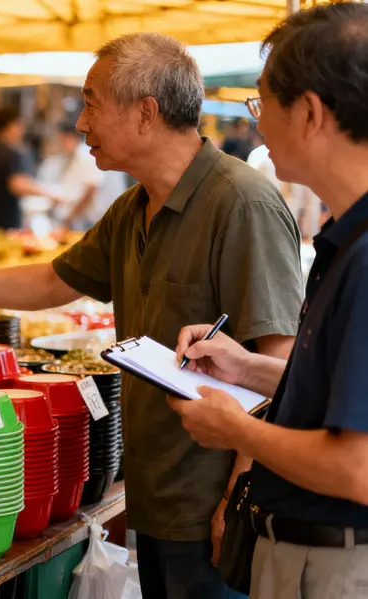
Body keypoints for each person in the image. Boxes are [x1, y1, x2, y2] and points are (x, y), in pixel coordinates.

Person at [0, 32, 305, 599]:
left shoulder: (241, 203)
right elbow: (56, 279)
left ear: (146, 113)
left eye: (92, 102)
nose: (81, 123)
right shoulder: (133, 207)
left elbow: (275, 361)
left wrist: (236, 495)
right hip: (154, 492)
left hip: (212, 506)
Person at [168, 6, 368, 597]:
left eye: (262, 103)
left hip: (337, 566)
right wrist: (249, 368)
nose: (257, 124)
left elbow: (357, 469)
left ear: (308, 112)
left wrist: (238, 431)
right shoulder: (344, 238)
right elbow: (338, 395)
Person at [0, 107, 58, 230]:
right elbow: (17, 184)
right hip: (6, 222)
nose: (21, 131)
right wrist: (51, 195)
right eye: (20, 126)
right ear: (10, 126)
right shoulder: (10, 153)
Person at [247, 144, 322, 239]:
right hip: (264, 227)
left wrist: (309, 236)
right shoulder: (258, 156)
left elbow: (311, 206)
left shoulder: (308, 157)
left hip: (291, 230)